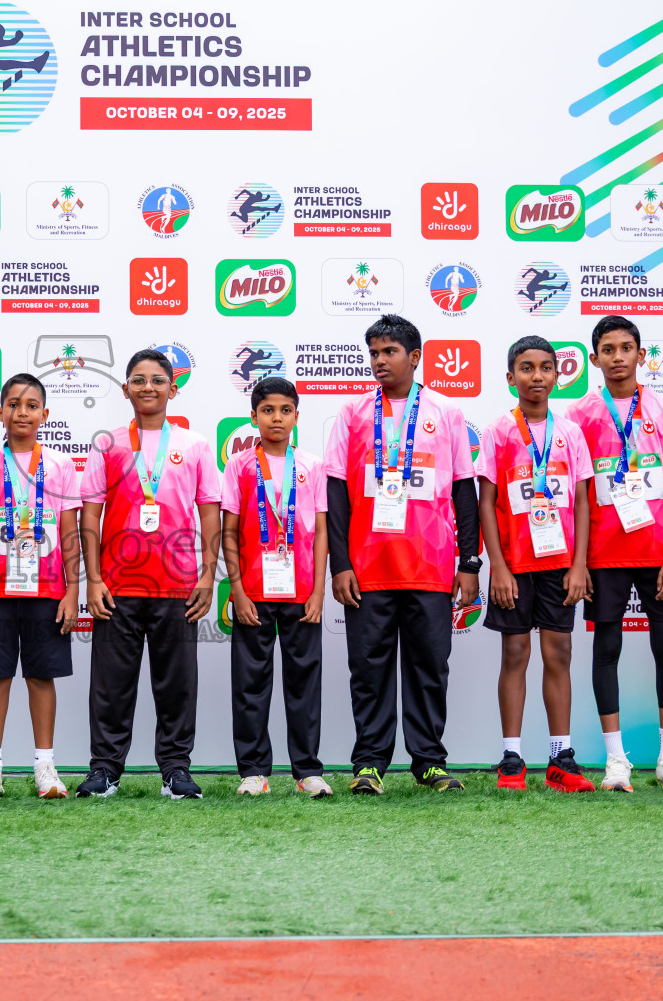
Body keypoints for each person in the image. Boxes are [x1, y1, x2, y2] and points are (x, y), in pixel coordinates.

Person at [324, 315, 481, 795]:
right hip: (368, 569)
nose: (379, 362)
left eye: (389, 352)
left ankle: (429, 761)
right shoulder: (351, 414)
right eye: (373, 353)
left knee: (429, 667)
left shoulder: (447, 413)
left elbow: (462, 490)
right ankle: (369, 763)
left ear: (415, 357)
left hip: (430, 567)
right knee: (368, 670)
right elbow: (335, 494)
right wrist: (341, 564)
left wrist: (469, 562)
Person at [77, 349, 221, 800]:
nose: (148, 388)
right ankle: (105, 770)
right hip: (117, 587)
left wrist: (207, 576)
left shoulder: (194, 445)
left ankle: (176, 770)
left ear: (172, 388)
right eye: (138, 380)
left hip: (177, 584)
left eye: (157, 380)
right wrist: (94, 579)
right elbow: (90, 515)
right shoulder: (109, 444)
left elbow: (211, 513)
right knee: (110, 686)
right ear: (125, 389)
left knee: (177, 685)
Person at [567, 316, 663, 792]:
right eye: (608, 348)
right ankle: (616, 760)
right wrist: (581, 560)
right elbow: (580, 495)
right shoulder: (578, 415)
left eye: (626, 348)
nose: (617, 357)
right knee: (607, 649)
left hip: (657, 551)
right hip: (603, 554)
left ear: (642, 354)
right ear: (594, 357)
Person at [477, 336, 595, 792]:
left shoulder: (570, 433)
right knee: (515, 653)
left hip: (560, 564)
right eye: (526, 368)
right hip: (515, 566)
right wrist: (499, 567)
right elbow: (486, 502)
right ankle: (512, 756)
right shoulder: (498, 431)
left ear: (558, 375)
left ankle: (559, 757)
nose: (537, 376)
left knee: (558, 654)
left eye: (546, 367)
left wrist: (579, 563)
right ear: (511, 378)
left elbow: (583, 501)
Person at [0, 373, 81, 800]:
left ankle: (44, 765)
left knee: (41, 675)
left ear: (45, 414)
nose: (22, 412)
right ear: (0, 413)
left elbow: (70, 532)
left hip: (47, 590)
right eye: (13, 404)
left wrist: (72, 590)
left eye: (31, 406)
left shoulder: (62, 466)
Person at [222, 377, 330, 798]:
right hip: (254, 594)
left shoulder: (313, 467)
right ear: (254, 417)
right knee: (250, 683)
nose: (277, 418)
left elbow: (321, 530)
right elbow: (229, 532)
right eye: (268, 410)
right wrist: (238, 590)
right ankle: (253, 770)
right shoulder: (239, 466)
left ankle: (307, 771)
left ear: (297, 416)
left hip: (302, 592)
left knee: (304, 682)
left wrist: (319, 590)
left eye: (285, 410)